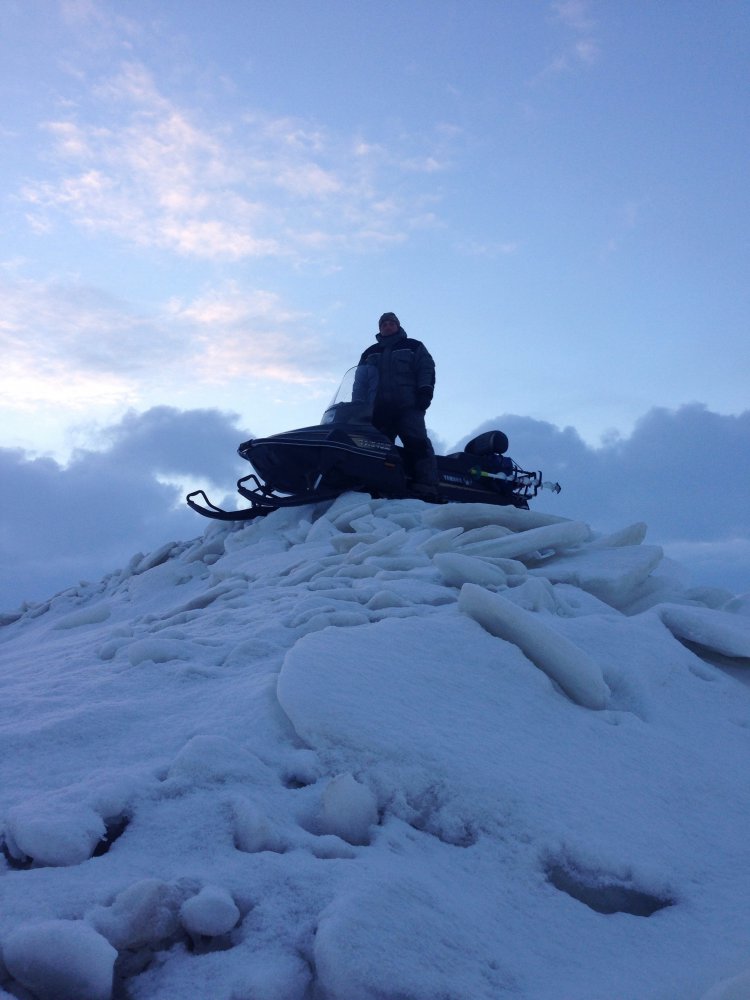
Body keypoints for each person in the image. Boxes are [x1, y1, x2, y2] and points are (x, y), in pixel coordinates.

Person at [358, 311, 439, 497]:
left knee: (417, 443)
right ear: (380, 329)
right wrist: (357, 405)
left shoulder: (413, 346)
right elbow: (360, 381)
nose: (388, 326)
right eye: (384, 324)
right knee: (375, 446)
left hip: (408, 406)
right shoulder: (369, 353)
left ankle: (427, 485)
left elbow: (426, 369)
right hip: (378, 410)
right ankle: (377, 483)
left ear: (398, 326)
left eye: (391, 323)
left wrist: (425, 392)